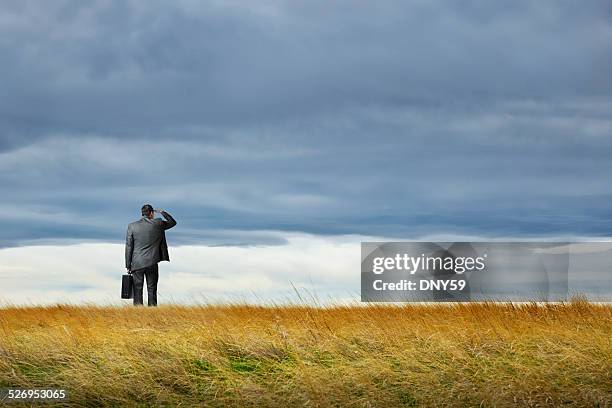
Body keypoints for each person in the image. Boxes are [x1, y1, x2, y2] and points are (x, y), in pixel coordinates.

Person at [125, 204, 177, 306]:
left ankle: (137, 313)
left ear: (142, 214)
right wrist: (162, 212)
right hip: (152, 262)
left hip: (137, 263)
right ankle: (152, 313)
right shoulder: (158, 223)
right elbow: (173, 222)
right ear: (152, 213)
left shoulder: (132, 226)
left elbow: (129, 246)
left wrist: (128, 264)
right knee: (152, 289)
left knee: (137, 290)